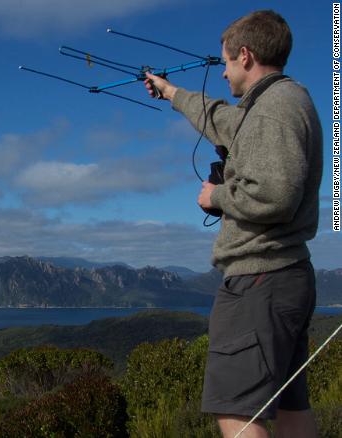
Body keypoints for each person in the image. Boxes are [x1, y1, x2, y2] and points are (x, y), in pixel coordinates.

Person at [144, 10, 322, 438]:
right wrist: (171, 92)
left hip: (258, 280)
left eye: (224, 62)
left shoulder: (272, 110)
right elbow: (220, 118)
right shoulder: (275, 102)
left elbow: (276, 195)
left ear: (245, 55)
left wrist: (216, 197)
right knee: (291, 408)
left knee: (240, 414)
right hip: (285, 277)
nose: (221, 72)